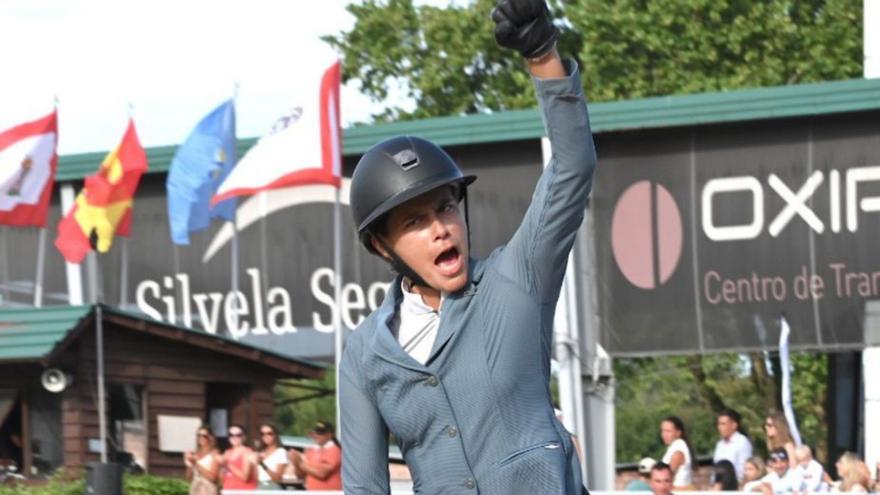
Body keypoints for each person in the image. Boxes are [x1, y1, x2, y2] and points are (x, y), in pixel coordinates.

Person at [339, 0, 597, 493]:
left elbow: (572, 167)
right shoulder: (363, 355)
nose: (440, 228)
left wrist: (543, 55)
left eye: (446, 207)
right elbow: (365, 490)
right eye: (415, 221)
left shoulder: (517, 279)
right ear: (381, 246)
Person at [289, 421, 342, 491]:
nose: (317, 435)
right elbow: (301, 476)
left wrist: (300, 463)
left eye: (321, 433)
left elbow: (322, 473)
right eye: (316, 433)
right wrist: (295, 463)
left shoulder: (335, 450)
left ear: (330, 435)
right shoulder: (310, 451)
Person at [713, 408, 753, 481]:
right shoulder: (720, 444)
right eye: (719, 424)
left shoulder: (742, 442)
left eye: (723, 424)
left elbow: (744, 471)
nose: (719, 428)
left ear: (734, 425)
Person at [660, 416, 696, 489]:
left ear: (678, 433)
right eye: (663, 431)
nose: (664, 434)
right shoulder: (674, 447)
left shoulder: (678, 450)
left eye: (668, 431)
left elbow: (667, 477)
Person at [184, 426, 220, 495]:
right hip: (195, 488)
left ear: (211, 437)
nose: (201, 438)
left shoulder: (214, 454)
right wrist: (189, 464)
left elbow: (213, 478)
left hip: (208, 489)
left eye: (204, 436)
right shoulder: (195, 453)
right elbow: (188, 478)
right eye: (198, 435)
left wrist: (196, 463)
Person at [221, 424, 256, 490]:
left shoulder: (247, 452)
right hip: (228, 490)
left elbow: (245, 477)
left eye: (238, 435)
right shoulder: (227, 452)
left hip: (242, 491)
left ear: (244, 437)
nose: (234, 437)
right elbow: (223, 477)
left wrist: (228, 465)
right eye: (231, 435)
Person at [255, 423, 287, 490]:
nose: (265, 436)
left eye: (269, 433)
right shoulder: (261, 451)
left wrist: (262, 464)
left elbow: (277, 478)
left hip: (271, 487)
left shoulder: (280, 452)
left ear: (275, 434)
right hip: (259, 486)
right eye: (262, 434)